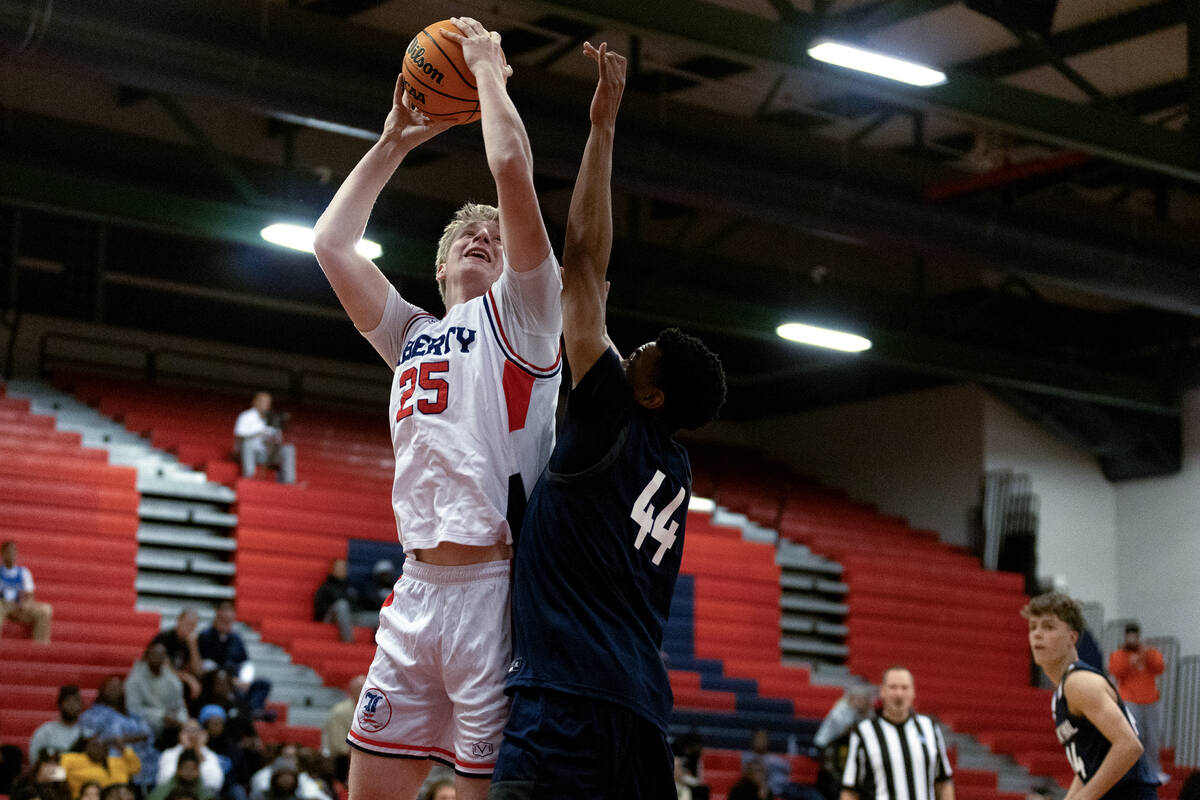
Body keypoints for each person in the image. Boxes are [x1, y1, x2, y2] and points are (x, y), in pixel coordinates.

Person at [311, 15, 563, 800]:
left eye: (495, 232)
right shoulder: (414, 333)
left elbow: (513, 168)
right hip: (416, 592)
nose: (486, 235)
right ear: (442, 262)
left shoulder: (525, 313)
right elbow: (331, 244)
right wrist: (394, 140)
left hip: (495, 588)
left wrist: (488, 70)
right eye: (468, 234)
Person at [489, 42, 727, 799]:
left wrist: (603, 128)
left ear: (652, 395)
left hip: (567, 703)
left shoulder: (612, 412)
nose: (634, 348)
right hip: (641, 719)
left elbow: (583, 260)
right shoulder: (673, 466)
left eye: (646, 353)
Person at [1023, 593, 1160, 800]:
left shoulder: (1079, 683)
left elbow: (1129, 746)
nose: (1037, 634)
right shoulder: (1064, 690)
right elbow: (1089, 766)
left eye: (1048, 627)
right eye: (1033, 627)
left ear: (1072, 638)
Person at [840, 667, 954, 800]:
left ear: (913, 692)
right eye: (893, 687)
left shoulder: (930, 728)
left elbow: (943, 781)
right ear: (882, 691)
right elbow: (850, 789)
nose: (899, 694)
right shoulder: (864, 731)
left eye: (905, 688)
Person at [1108, 623, 1168, 783]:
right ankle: (1133, 772)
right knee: (1135, 736)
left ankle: (1154, 771)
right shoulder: (1119, 654)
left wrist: (1146, 656)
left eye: (1135, 636)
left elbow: (1159, 667)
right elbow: (1116, 671)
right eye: (1130, 636)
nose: (1133, 639)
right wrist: (1131, 662)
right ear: (1126, 637)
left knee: (1153, 738)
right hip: (1130, 700)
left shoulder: (1148, 652)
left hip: (1150, 701)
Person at [77, 676, 157, 793]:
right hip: (113, 764)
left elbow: (148, 735)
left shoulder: (132, 715)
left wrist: (122, 739)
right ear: (102, 690)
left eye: (119, 686)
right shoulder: (92, 714)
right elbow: (91, 739)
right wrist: (129, 738)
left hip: (144, 765)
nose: (115, 689)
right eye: (111, 686)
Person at [197, 603, 272, 717]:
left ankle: (253, 709)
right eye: (223, 620)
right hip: (217, 681)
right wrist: (232, 681)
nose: (226, 624)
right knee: (228, 688)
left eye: (229, 621)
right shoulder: (205, 636)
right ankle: (246, 711)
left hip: (237, 680)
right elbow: (206, 664)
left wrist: (245, 680)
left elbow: (246, 662)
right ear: (217, 617)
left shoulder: (236, 638)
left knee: (263, 684)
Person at [815, 686, 875, 800]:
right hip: (828, 745)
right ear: (852, 697)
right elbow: (846, 730)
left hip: (850, 747)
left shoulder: (868, 711)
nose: (862, 701)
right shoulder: (841, 708)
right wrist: (856, 711)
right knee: (832, 776)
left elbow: (871, 731)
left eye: (864, 699)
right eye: (859, 698)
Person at [126, 642, 189, 744]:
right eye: (154, 654)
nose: (157, 658)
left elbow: (180, 706)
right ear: (147, 656)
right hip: (144, 724)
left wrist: (181, 721)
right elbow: (133, 709)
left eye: (160, 655)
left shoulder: (172, 679)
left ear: (165, 658)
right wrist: (161, 717)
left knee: (188, 728)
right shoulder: (135, 679)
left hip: (171, 726)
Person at [234, 392, 296, 484]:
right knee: (247, 444)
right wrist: (258, 433)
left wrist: (272, 438)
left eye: (267, 402)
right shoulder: (246, 416)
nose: (265, 405)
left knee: (288, 448)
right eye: (262, 401)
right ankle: (249, 476)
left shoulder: (273, 419)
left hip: (267, 454)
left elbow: (279, 441)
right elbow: (239, 434)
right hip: (249, 453)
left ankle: (290, 482)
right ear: (254, 402)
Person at [0, 540, 53, 642]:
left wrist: (26, 604)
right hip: (2, 605)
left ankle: (41, 648)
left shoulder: (24, 572)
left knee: (46, 610)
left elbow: (30, 594)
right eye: (8, 551)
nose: (11, 554)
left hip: (18, 606)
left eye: (14, 551)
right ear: (3, 554)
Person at [157, 719, 226, 796]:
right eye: (188, 731)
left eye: (196, 731)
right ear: (180, 734)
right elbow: (164, 780)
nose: (192, 735)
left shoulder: (210, 755)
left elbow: (215, 784)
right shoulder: (169, 754)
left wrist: (197, 753)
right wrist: (186, 753)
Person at [60, 734, 141, 799]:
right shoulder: (71, 759)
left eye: (101, 746)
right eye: (94, 745)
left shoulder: (116, 761)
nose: (97, 749)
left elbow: (136, 767)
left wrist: (124, 749)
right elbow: (54, 775)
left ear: (107, 750)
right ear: (86, 748)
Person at [151, 609, 205, 703]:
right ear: (179, 621)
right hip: (159, 679)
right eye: (188, 624)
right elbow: (164, 668)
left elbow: (198, 671)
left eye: (193, 626)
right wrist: (188, 678)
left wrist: (193, 647)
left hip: (179, 681)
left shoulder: (191, 642)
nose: (190, 628)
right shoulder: (164, 638)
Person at [321, 676, 365, 784]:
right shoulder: (339, 712)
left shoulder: (376, 710)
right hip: (343, 761)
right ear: (351, 691)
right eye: (360, 688)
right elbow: (339, 745)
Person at [29, 686, 85, 762]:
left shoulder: (87, 733)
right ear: (60, 704)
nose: (72, 705)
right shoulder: (46, 731)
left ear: (81, 705)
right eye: (68, 701)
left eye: (76, 701)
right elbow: (34, 757)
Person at [312, 560, 360, 644]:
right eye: (339, 567)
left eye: (344, 567)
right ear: (332, 570)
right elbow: (319, 609)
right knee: (341, 605)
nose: (342, 570)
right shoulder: (325, 587)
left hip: (351, 616)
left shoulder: (350, 589)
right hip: (329, 618)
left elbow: (357, 607)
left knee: (381, 615)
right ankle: (349, 641)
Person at [148, 750, 213, 800]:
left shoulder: (206, 795)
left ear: (198, 771)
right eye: (186, 768)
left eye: (193, 769)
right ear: (178, 770)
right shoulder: (162, 792)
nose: (189, 772)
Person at [743, 730, 789, 799]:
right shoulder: (748, 757)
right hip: (768, 789)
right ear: (753, 740)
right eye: (758, 738)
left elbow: (787, 768)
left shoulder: (775, 760)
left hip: (783, 788)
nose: (761, 741)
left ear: (768, 741)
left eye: (763, 738)